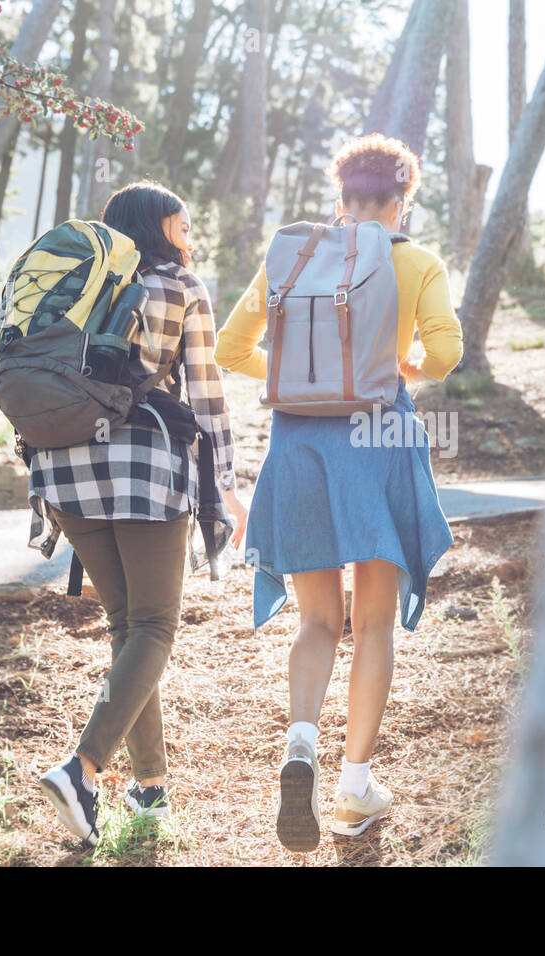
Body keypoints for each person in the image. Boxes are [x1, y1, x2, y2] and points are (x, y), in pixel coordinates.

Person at [215, 133, 463, 851]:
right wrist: (392, 369)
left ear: (341, 198)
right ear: (401, 198)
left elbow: (233, 349)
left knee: (317, 621)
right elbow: (446, 354)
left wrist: (296, 373)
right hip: (376, 443)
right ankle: (354, 786)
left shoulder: (296, 255)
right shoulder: (414, 259)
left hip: (297, 447)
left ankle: (300, 744)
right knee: (374, 625)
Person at [34, 181, 247, 846]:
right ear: (159, 229)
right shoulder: (178, 285)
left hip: (62, 469)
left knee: (130, 628)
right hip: (144, 468)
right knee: (155, 626)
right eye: (184, 228)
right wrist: (229, 484)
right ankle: (83, 768)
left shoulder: (72, 282)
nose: (191, 239)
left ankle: (148, 788)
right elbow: (207, 395)